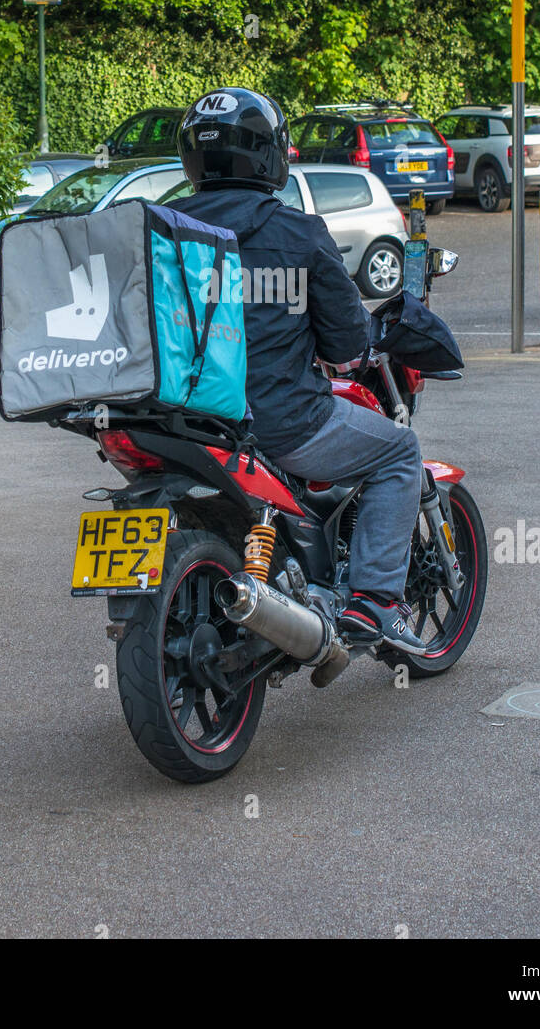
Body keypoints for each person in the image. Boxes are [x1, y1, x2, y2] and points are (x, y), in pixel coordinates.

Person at [169, 86, 427, 653]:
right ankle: (375, 602)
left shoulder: (157, 230)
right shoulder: (296, 232)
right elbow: (347, 343)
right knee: (399, 453)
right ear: (270, 155)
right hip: (279, 422)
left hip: (174, 424)